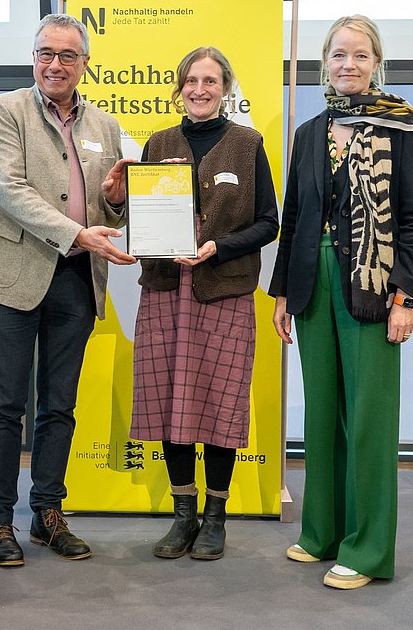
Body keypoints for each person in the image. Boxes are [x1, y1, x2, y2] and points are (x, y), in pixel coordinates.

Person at [269, 15, 413, 590]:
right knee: (321, 414)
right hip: (312, 283)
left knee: (367, 419)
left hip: (373, 285)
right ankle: (323, 532)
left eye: (360, 55)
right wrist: (283, 292)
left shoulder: (404, 128)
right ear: (325, 63)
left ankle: (366, 550)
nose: (349, 64)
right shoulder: (310, 132)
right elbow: (295, 217)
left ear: (377, 63)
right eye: (339, 54)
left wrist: (405, 298)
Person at [0, 13, 136, 567]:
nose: (55, 64)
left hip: (77, 279)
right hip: (14, 275)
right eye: (46, 53)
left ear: (85, 64)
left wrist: (114, 200)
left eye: (67, 55)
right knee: (6, 404)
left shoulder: (106, 125)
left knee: (60, 404)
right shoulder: (4, 110)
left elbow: (109, 206)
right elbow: (9, 189)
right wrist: (78, 233)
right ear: (33, 57)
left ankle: (47, 513)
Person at [130, 47, 278, 561]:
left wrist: (220, 247)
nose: (199, 89)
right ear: (179, 88)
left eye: (210, 81)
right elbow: (141, 216)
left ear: (226, 88)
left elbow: (269, 222)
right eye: (191, 80)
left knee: (219, 403)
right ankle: (183, 516)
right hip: (165, 289)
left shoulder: (247, 144)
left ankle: (215, 517)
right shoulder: (158, 144)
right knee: (170, 402)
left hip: (224, 289)